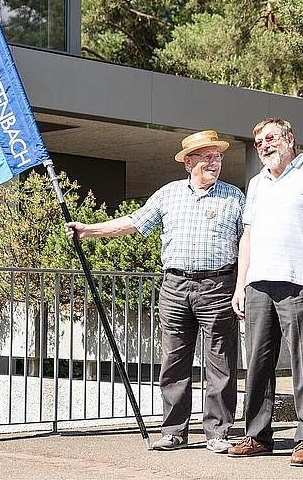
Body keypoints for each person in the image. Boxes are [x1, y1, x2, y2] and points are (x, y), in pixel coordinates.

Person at [65, 130, 245, 452]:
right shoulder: (169, 194)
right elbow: (134, 223)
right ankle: (174, 432)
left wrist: (242, 285)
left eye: (217, 156)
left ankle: (217, 433)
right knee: (174, 361)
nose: (214, 162)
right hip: (174, 286)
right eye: (206, 156)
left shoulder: (234, 197)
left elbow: (248, 241)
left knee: (221, 362)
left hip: (218, 285)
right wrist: (87, 230)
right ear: (188, 162)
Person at [228, 118, 303, 466]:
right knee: (258, 364)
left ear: (289, 139)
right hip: (259, 283)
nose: (264, 145)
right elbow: (247, 237)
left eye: (270, 138)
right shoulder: (256, 183)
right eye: (259, 142)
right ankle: (257, 436)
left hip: (302, 282)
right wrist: (240, 285)